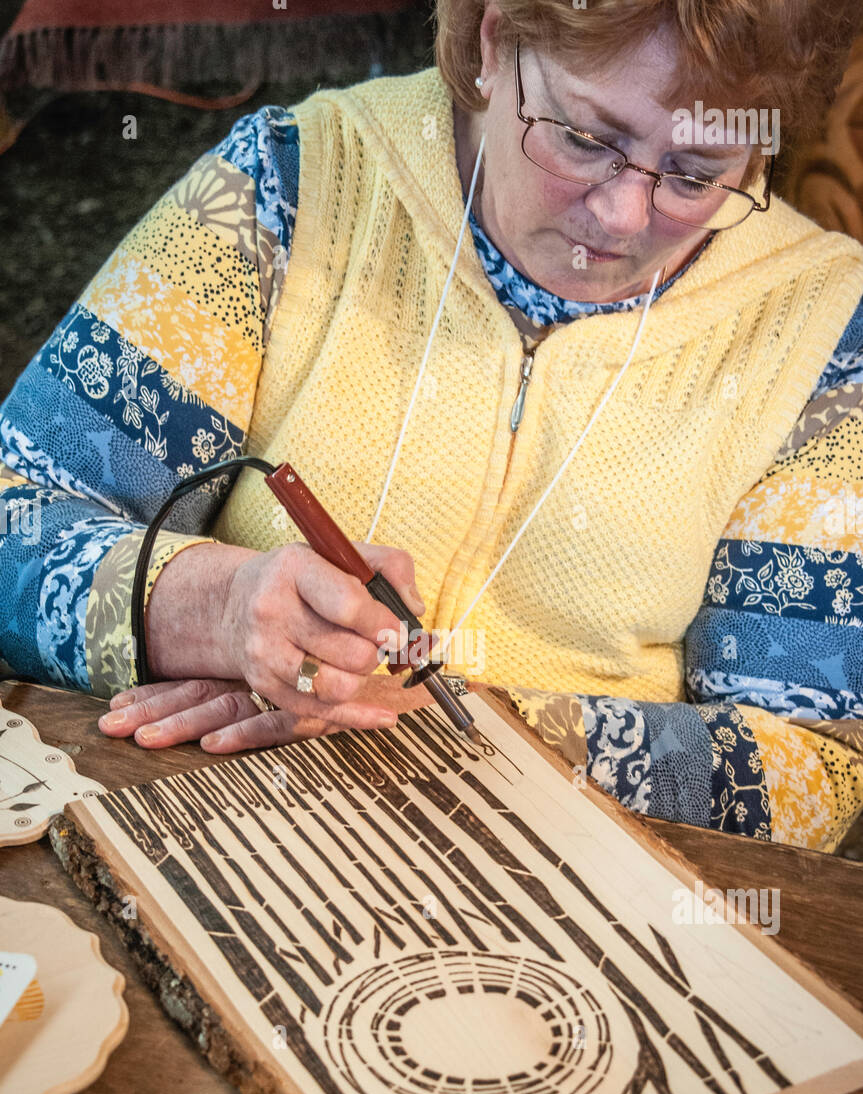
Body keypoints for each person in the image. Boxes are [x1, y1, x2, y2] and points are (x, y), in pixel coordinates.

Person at [1, 0, 862, 853]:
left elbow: (812, 765)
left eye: (694, 173)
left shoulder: (823, 328)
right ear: (494, 40)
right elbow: (13, 521)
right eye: (585, 139)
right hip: (216, 827)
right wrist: (211, 608)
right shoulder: (292, 182)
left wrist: (451, 727)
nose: (622, 216)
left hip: (578, 877)